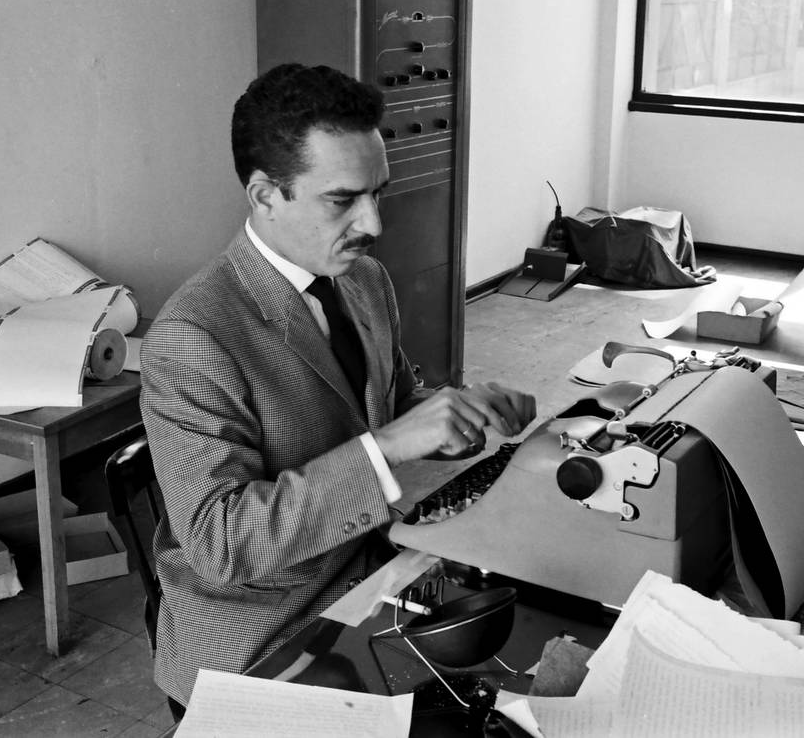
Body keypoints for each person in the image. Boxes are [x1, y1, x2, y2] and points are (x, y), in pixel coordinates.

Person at [138, 62, 536, 709]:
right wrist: (390, 447)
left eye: (377, 193)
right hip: (260, 632)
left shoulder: (365, 281)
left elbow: (388, 407)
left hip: (372, 573)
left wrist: (459, 416)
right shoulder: (194, 336)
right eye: (343, 200)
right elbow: (219, 544)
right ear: (265, 195)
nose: (373, 223)